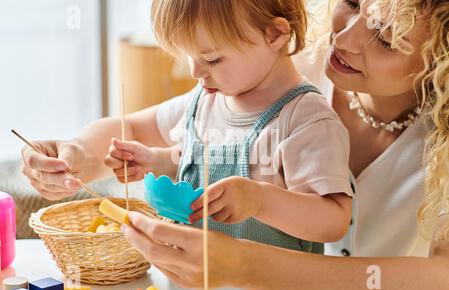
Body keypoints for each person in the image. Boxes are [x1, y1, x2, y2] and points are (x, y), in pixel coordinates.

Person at [21, 0, 449, 290]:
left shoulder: (295, 103)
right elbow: (144, 128)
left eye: (388, 38)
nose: (347, 39)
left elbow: (441, 279)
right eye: (352, 2)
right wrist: (75, 153)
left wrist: (244, 261)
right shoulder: (266, 70)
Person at [105, 0, 354, 252]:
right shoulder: (205, 101)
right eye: (187, 56)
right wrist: (157, 161)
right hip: (198, 285)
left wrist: (260, 201)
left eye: (212, 59)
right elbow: (199, 163)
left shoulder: (305, 120)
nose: (195, 71)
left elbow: (334, 220)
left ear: (275, 34)